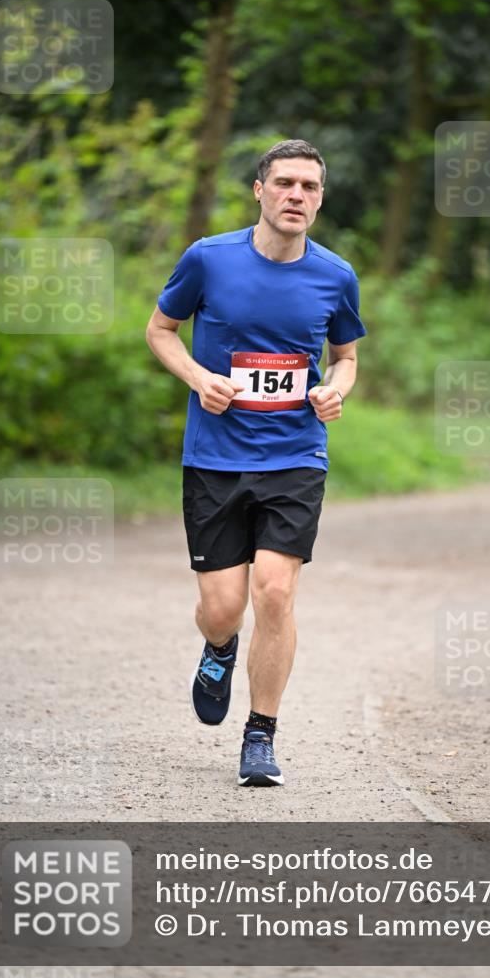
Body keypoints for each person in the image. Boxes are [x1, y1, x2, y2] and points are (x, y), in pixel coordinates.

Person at [146, 138, 366, 787]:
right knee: (222, 608)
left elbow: (346, 356)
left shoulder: (335, 275)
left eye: (310, 187)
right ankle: (217, 649)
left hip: (295, 456)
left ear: (320, 199)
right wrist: (196, 376)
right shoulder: (208, 260)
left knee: (275, 591)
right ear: (260, 190)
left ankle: (260, 737)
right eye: (286, 183)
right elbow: (160, 329)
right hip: (214, 458)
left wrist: (333, 389)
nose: (297, 196)